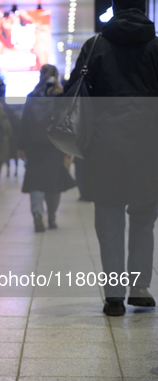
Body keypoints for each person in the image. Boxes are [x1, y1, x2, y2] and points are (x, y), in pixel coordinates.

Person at [64, 0, 158, 316]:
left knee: (109, 218)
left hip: (103, 145)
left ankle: (114, 296)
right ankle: (141, 287)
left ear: (114, 9)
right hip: (149, 144)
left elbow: (72, 93)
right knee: (144, 217)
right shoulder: (156, 46)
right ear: (145, 9)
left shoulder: (95, 46)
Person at [18, 64, 76, 232]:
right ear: (56, 76)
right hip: (56, 146)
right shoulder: (62, 96)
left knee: (36, 182)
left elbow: (23, 124)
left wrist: (21, 147)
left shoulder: (32, 96)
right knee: (54, 182)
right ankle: (52, 217)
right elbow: (68, 123)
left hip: (34, 146)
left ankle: (37, 214)